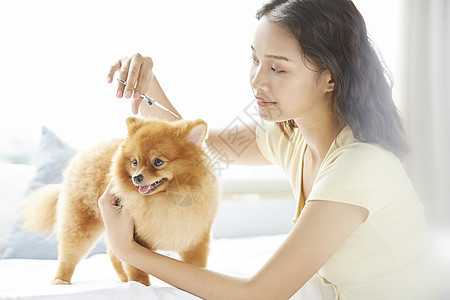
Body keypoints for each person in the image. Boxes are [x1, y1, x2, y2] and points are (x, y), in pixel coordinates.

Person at [99, 0, 443, 299]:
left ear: (331, 78)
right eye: (254, 60)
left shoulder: (359, 165)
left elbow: (258, 294)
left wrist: (127, 249)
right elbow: (189, 146)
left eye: (278, 68)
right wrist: (146, 84)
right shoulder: (290, 135)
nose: (257, 81)